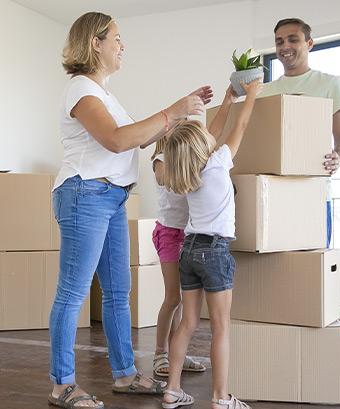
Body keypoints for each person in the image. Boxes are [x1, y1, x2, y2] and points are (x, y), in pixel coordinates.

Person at [48, 11, 213, 409]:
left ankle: (124, 375)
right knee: (72, 294)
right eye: (117, 39)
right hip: (84, 193)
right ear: (95, 43)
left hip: (111, 197)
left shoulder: (105, 95)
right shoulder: (80, 89)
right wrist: (171, 111)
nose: (123, 46)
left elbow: (136, 137)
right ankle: (62, 385)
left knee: (118, 292)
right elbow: (118, 141)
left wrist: (177, 120)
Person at [159, 79, 263, 409]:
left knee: (188, 323)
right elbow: (241, 126)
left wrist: (229, 98)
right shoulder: (217, 164)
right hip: (214, 251)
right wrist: (252, 96)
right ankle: (220, 397)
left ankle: (172, 389)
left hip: (188, 249)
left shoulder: (187, 174)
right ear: (203, 146)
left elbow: (211, 138)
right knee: (220, 328)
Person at [257, 17, 340, 247]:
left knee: (313, 270)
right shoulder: (264, 92)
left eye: (293, 40)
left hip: (314, 195)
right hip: (273, 196)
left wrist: (338, 156)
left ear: (309, 43)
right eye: (279, 42)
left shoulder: (330, 84)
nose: (285, 47)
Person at [150, 139, 207, 378]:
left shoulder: (185, 157)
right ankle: (160, 353)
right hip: (169, 234)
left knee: (184, 299)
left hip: (189, 233)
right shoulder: (160, 159)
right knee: (172, 297)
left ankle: (177, 353)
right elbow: (165, 179)